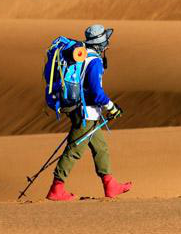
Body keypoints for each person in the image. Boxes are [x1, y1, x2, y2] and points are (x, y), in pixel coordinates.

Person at [46, 24, 130, 201]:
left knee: (101, 148)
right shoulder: (95, 61)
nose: (107, 45)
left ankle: (110, 184)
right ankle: (56, 188)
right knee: (74, 149)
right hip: (86, 113)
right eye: (106, 42)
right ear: (100, 44)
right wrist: (112, 107)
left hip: (84, 111)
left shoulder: (82, 58)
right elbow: (96, 92)